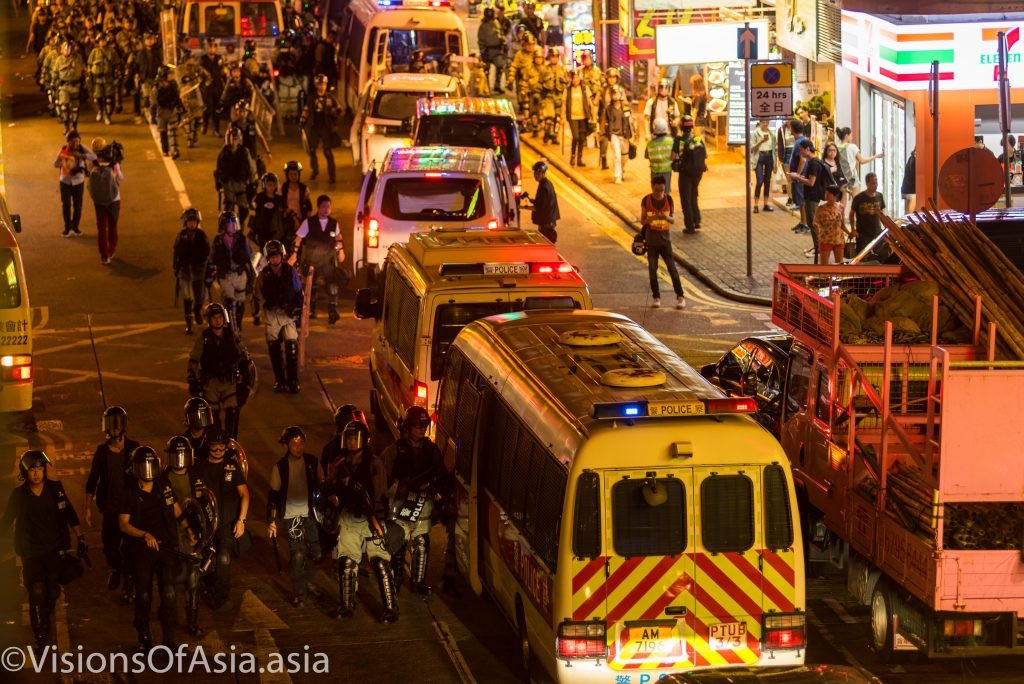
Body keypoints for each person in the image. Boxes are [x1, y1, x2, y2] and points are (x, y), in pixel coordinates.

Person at [2, 451, 85, 653]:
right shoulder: (19, 495)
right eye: (32, 470)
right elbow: (5, 521)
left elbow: (69, 513)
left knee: (52, 592)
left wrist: (80, 538)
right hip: (31, 553)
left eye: (40, 469)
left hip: (54, 551)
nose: (37, 474)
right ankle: (41, 636)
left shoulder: (55, 490)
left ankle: (44, 613)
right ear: (25, 472)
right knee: (37, 591)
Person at [120, 446, 190, 651]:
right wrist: (144, 535)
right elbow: (123, 524)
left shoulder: (164, 486)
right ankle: (143, 635)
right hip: (141, 551)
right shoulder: (129, 492)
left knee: (168, 594)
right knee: (144, 595)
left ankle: (169, 640)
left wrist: (190, 529)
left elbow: (176, 510)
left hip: (166, 549)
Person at [326, 421, 396, 622]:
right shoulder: (341, 464)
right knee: (346, 562)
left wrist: (380, 518)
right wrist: (340, 485)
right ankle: (346, 605)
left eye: (355, 438)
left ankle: (390, 608)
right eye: (348, 438)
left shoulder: (374, 464)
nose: (352, 442)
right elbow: (330, 489)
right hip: (349, 516)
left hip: (371, 516)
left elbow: (381, 492)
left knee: (381, 563)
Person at [382, 406, 447, 596]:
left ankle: (418, 581)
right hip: (400, 503)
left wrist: (439, 492)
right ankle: (395, 579)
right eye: (417, 426)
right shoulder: (395, 449)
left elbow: (440, 474)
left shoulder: (431, 450)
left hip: (422, 504)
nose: (421, 429)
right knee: (398, 543)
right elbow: (381, 474)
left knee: (421, 542)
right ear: (408, 427)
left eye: (424, 426)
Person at [267, 426, 323, 607]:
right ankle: (299, 592)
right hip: (292, 517)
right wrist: (272, 520)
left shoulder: (312, 463)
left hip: (310, 515)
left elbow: (323, 486)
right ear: (286, 446)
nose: (298, 447)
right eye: (294, 443)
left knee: (316, 554)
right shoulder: (280, 467)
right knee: (298, 554)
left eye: (301, 443)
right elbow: (273, 496)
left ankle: (305, 581)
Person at [85, 406, 139, 595]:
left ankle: (129, 582)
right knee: (110, 548)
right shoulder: (101, 452)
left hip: (130, 508)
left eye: (117, 425)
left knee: (132, 549)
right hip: (109, 508)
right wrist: (88, 508)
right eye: (111, 425)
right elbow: (93, 479)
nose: (114, 429)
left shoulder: (134, 448)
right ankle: (117, 568)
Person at [195, 428, 249, 612]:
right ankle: (205, 588)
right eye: (214, 447)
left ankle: (220, 597)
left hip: (226, 523)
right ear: (208, 446)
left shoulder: (232, 467)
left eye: (221, 448)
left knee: (224, 559)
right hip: (205, 524)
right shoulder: (199, 467)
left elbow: (244, 494)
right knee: (204, 563)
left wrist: (241, 520)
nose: (218, 451)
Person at [161, 436, 206, 637]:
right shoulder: (162, 479)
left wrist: (201, 532)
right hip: (172, 538)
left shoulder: (196, 475)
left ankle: (192, 622)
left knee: (194, 581)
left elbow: (205, 503)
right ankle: (167, 615)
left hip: (193, 537)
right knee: (170, 581)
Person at [187, 301, 248, 436]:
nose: (218, 320)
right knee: (212, 415)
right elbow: (194, 359)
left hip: (229, 381)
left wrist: (245, 380)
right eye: (214, 317)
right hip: (210, 382)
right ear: (209, 320)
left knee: (233, 411)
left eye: (220, 317)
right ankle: (216, 442)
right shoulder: (204, 338)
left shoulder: (231, 335)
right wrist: (192, 379)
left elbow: (243, 356)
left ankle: (232, 443)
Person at [256, 240, 304, 393]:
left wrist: (297, 310)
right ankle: (280, 381)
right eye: (272, 257)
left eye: (277, 256)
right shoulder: (264, 275)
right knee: (274, 349)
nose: (275, 259)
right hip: (271, 316)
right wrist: (258, 312)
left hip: (288, 314)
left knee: (291, 346)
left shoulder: (290, 272)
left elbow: (298, 292)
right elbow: (257, 295)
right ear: (267, 258)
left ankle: (293, 380)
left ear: (282, 256)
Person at [293, 195, 347, 324]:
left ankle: (332, 310)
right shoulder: (309, 222)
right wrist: (294, 253)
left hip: (328, 260)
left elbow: (338, 239)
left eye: (328, 207)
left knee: (333, 284)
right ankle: (312, 310)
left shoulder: (334, 223)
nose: (326, 209)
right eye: (323, 207)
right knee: (311, 285)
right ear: (318, 207)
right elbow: (298, 238)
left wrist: (341, 251)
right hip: (313, 260)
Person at [641, 176, 685, 309]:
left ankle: (680, 297)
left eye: (661, 190)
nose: (659, 193)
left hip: (665, 242)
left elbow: (672, 220)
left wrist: (666, 217)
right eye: (656, 190)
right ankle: (656, 297)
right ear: (652, 188)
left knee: (672, 269)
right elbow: (643, 221)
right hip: (652, 242)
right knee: (652, 270)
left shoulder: (668, 199)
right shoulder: (646, 200)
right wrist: (653, 217)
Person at [210, 212, 256, 332]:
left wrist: (252, 276)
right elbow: (212, 258)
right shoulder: (218, 240)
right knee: (229, 303)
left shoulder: (242, 239)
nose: (232, 226)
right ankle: (231, 327)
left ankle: (238, 325)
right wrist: (209, 274)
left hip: (240, 274)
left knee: (240, 303)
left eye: (234, 223)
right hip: (226, 275)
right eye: (229, 224)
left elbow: (249, 257)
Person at [174, 207, 212, 335]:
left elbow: (207, 252)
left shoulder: (202, 236)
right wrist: (176, 266)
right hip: (185, 271)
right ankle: (189, 324)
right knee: (187, 298)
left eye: (194, 221)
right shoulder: (181, 235)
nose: (192, 223)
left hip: (198, 271)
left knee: (200, 297)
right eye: (190, 221)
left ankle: (197, 310)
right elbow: (176, 252)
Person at [87, 138, 124, 264]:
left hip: (99, 200)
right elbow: (121, 178)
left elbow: (88, 174)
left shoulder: (91, 161)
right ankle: (111, 250)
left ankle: (104, 255)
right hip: (114, 198)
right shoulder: (113, 161)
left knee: (101, 228)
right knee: (112, 226)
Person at [789, 139, 827, 261]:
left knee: (814, 224)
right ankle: (817, 247)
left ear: (807, 149)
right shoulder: (814, 162)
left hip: (813, 197)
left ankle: (819, 249)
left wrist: (797, 178)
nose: (800, 152)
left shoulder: (814, 164)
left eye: (801, 149)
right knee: (812, 224)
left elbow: (811, 182)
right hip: (812, 197)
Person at [54, 130, 95, 238]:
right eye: (72, 142)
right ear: (68, 142)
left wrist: (81, 155)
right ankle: (67, 228)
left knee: (78, 206)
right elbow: (55, 164)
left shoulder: (82, 148)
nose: (75, 144)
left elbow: (94, 156)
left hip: (78, 182)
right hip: (65, 182)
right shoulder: (63, 150)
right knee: (66, 205)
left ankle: (75, 227)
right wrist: (62, 159)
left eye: (77, 141)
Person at [300, 74, 340, 183]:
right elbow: (306, 110)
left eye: (323, 84)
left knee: (327, 152)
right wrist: (302, 122)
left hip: (326, 128)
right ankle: (315, 171)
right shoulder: (311, 97)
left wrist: (335, 113)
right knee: (312, 150)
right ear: (316, 85)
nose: (321, 86)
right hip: (314, 127)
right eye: (319, 84)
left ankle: (332, 176)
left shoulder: (330, 97)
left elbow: (339, 110)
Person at [215, 127, 257, 227]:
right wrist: (219, 183)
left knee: (244, 208)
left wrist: (252, 182)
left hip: (241, 183)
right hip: (228, 184)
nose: (234, 140)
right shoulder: (223, 153)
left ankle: (240, 223)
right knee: (229, 208)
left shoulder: (244, 152)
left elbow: (251, 168)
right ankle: (228, 228)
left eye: (236, 138)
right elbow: (218, 170)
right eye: (232, 138)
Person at [672, 115, 707, 234]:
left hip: (685, 173)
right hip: (698, 173)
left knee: (685, 199)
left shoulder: (678, 140)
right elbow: (705, 155)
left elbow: (673, 157)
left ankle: (690, 225)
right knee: (693, 196)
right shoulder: (697, 139)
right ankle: (697, 220)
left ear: (681, 127)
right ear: (692, 127)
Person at [837, 127, 882, 199]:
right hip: (852, 177)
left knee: (842, 202)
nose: (852, 137)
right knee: (856, 201)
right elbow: (862, 161)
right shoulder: (852, 147)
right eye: (851, 135)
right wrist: (875, 156)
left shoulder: (836, 147)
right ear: (846, 136)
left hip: (840, 178)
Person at [508, 34, 540, 133]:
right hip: (524, 83)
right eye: (528, 45)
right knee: (525, 105)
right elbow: (514, 66)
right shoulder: (520, 55)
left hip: (537, 83)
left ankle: (536, 124)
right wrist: (510, 79)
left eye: (532, 44)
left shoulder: (537, 52)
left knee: (536, 105)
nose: (530, 47)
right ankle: (526, 124)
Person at [850, 172, 887, 257]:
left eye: (876, 182)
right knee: (862, 257)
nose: (875, 185)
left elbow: (882, 214)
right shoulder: (859, 198)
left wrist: (886, 227)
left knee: (879, 256)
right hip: (863, 234)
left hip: (877, 232)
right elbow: (852, 214)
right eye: (873, 183)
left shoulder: (880, 196)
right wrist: (853, 229)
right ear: (867, 184)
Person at [523, 160, 559, 243]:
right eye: (535, 173)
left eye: (538, 173)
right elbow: (541, 202)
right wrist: (533, 201)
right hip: (548, 223)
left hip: (546, 225)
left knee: (544, 245)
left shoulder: (544, 187)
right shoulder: (546, 183)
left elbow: (539, 207)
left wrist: (523, 207)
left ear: (543, 173)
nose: (536, 175)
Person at [53, 40, 85, 133]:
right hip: (64, 87)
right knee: (64, 107)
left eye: (69, 48)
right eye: (65, 49)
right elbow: (55, 73)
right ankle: (66, 127)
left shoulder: (77, 58)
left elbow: (82, 70)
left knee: (75, 108)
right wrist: (54, 83)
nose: (67, 50)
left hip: (75, 86)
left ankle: (74, 127)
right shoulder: (59, 60)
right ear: (61, 50)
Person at [602, 88, 633, 184]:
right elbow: (605, 122)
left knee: (625, 157)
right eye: (613, 94)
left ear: (621, 95)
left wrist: (634, 134)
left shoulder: (626, 108)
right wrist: (602, 133)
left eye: (617, 94)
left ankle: (621, 170)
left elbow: (631, 122)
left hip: (624, 135)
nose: (615, 96)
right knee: (617, 156)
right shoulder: (608, 109)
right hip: (614, 135)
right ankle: (617, 176)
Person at [87, 33, 118, 125]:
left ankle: (107, 115)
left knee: (109, 98)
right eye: (100, 40)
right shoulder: (94, 52)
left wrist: (117, 75)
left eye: (104, 40)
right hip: (97, 79)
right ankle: (100, 110)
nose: (102, 42)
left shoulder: (112, 51)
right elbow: (89, 64)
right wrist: (89, 75)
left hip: (108, 78)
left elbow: (116, 64)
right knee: (98, 97)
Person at [814, 185, 850, 265]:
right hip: (825, 239)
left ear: (835, 196)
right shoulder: (820, 208)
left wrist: (849, 233)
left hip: (838, 239)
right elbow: (816, 222)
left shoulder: (841, 207)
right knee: (824, 266)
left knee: (839, 265)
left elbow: (842, 224)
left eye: (828, 194)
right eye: (825, 193)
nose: (826, 196)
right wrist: (818, 232)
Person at [598, 67, 625, 170]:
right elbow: (596, 104)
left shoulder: (620, 89)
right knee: (603, 138)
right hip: (605, 116)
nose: (612, 79)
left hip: (617, 117)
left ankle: (620, 163)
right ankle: (603, 157)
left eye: (614, 77)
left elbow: (625, 103)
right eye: (610, 77)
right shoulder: (602, 90)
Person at [538, 49, 567, 144]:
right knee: (549, 117)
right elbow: (539, 83)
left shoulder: (562, 69)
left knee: (558, 118)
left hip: (559, 95)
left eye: (556, 56)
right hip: (548, 96)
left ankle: (554, 136)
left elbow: (567, 82)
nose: (554, 58)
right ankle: (547, 133)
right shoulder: (544, 69)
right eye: (552, 56)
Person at [280, 161, 312, 247]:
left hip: (301, 220)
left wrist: (307, 223)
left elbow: (309, 207)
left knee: (300, 244)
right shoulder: (282, 188)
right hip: (287, 221)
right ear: (287, 175)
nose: (293, 177)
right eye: (291, 174)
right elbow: (281, 204)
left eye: (295, 174)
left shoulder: (304, 189)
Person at [564, 70, 592, 167]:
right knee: (575, 136)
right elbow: (564, 104)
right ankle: (572, 155)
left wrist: (592, 115)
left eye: (577, 77)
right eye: (574, 78)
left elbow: (589, 103)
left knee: (581, 138)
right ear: (571, 79)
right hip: (572, 117)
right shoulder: (567, 90)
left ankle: (580, 158)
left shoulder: (585, 88)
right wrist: (562, 118)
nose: (575, 80)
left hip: (583, 116)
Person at [155, 65, 183, 159]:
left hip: (171, 110)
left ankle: (175, 150)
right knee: (163, 131)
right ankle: (165, 150)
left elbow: (177, 97)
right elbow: (154, 102)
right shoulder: (157, 87)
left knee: (173, 131)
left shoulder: (173, 85)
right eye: (169, 74)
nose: (171, 76)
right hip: (161, 112)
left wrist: (180, 107)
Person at [478, 7, 507, 93]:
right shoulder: (483, 26)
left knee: (500, 67)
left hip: (496, 50)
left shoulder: (496, 23)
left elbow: (500, 34)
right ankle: (486, 87)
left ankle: (497, 85)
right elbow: (481, 40)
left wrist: (502, 42)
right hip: (487, 50)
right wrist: (483, 51)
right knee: (486, 70)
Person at [199, 40, 225, 136]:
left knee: (217, 109)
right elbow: (200, 73)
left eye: (214, 47)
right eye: (210, 47)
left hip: (217, 87)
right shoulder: (203, 59)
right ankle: (205, 124)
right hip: (207, 87)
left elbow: (222, 72)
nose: (212, 49)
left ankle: (216, 129)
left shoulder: (219, 58)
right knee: (208, 107)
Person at [788, 120, 809, 233]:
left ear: (793, 129)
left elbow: (803, 160)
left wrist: (798, 175)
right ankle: (802, 221)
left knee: (802, 200)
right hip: (802, 175)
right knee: (800, 200)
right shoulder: (802, 141)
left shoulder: (799, 143)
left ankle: (805, 223)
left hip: (801, 176)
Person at [135, 33, 161, 124]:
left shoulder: (157, 52)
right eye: (147, 39)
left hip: (155, 78)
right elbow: (137, 65)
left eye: (151, 39)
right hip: (145, 78)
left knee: (154, 99)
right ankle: (148, 115)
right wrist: (137, 75)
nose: (149, 41)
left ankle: (154, 115)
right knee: (146, 98)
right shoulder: (141, 53)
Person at [750, 120, 775, 213]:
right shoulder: (755, 133)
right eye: (763, 122)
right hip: (759, 156)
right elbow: (751, 148)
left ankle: (766, 204)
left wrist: (775, 162)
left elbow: (774, 149)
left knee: (767, 181)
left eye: (767, 122)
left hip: (769, 157)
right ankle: (756, 205)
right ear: (760, 122)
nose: (765, 124)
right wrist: (760, 141)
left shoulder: (771, 133)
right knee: (760, 181)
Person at [645, 118, 674, 199]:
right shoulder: (670, 141)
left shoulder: (650, 143)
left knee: (656, 193)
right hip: (666, 171)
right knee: (666, 193)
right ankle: (667, 209)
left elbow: (647, 156)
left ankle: (656, 209)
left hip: (654, 172)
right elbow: (675, 155)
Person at [901, 150, 916, 216]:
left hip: (906, 189)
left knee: (907, 214)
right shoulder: (915, 160)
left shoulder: (911, 158)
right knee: (910, 215)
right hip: (912, 190)